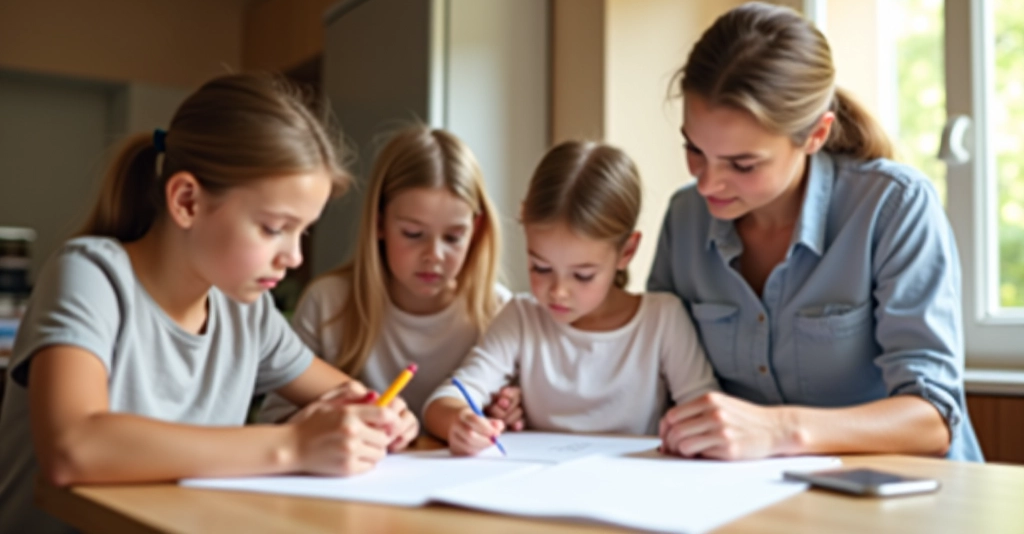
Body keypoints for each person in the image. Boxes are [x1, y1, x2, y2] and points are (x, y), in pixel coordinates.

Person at [0, 73, 418, 534]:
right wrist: (294, 445)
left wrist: (383, 417)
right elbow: (73, 447)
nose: (295, 256)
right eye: (274, 227)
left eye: (303, 231)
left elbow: (351, 396)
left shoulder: (248, 310)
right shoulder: (92, 276)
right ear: (186, 201)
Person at [649, 1, 982, 462]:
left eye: (742, 164)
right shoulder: (685, 218)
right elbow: (648, 367)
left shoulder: (893, 205)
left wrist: (778, 429)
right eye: (695, 150)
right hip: (753, 498)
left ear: (815, 135)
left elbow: (934, 418)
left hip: (909, 498)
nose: (707, 182)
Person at [424, 141, 718, 455]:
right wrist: (462, 421)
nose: (558, 291)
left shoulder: (662, 319)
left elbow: (706, 412)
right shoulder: (522, 317)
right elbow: (444, 401)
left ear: (627, 251)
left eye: (582, 275)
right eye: (541, 267)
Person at [258, 125, 517, 423]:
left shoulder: (499, 311)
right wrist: (335, 421)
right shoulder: (328, 302)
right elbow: (274, 420)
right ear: (379, 223)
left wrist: (509, 409)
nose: (434, 254)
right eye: (413, 233)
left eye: (454, 237)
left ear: (477, 229)